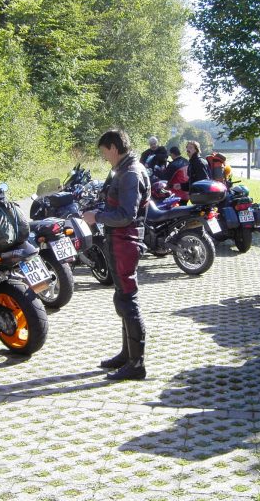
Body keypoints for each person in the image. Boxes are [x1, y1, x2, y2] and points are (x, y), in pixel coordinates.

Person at [82, 129, 150, 381]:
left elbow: (126, 215)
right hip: (122, 241)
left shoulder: (130, 172)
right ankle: (126, 355)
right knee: (122, 298)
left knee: (128, 301)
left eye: (104, 152)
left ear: (113, 147)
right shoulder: (127, 168)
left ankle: (136, 364)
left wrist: (96, 217)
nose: (104, 157)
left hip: (125, 241)